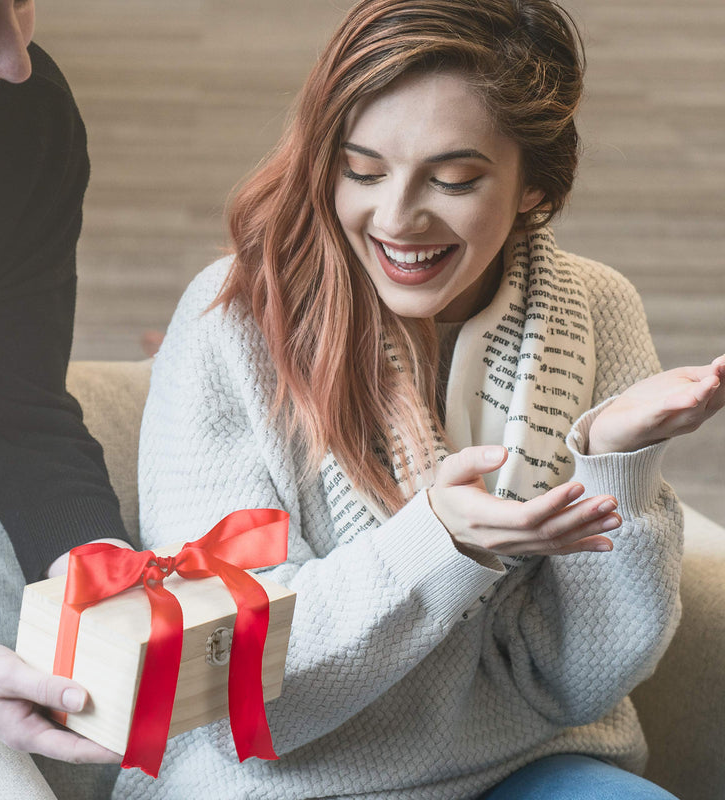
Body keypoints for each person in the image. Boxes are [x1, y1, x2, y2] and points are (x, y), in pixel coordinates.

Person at [115, 0, 725, 798]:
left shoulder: (592, 309)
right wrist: (439, 544)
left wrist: (615, 466)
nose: (398, 217)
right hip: (286, 780)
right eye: (363, 171)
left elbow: (580, 682)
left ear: (534, 186)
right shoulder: (233, 322)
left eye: (455, 179)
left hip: (527, 764)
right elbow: (225, 678)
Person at [0, 0, 133, 797]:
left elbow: (22, 408)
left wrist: (105, 571)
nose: (15, 57)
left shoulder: (28, 118)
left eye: (20, 2)